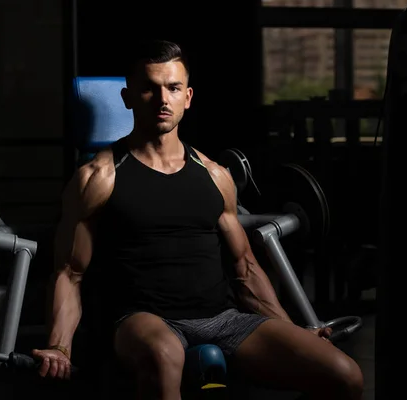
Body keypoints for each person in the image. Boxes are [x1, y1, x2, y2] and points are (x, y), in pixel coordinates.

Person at [32, 39, 363, 400]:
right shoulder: (98, 177)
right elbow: (69, 273)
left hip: (223, 319)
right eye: (149, 88)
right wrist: (59, 347)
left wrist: (289, 329)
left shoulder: (215, 175)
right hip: (142, 320)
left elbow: (245, 269)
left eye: (173, 88)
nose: (162, 100)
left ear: (187, 97)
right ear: (128, 98)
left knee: (344, 375)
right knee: (163, 355)